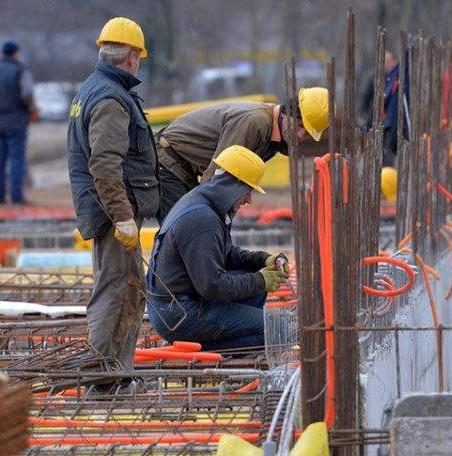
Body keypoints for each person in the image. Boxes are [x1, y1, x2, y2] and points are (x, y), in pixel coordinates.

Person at [67, 17, 159, 385]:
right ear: (132, 57)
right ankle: (102, 378)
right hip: (112, 213)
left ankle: (117, 372)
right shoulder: (109, 98)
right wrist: (122, 217)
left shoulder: (96, 88)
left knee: (130, 288)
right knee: (114, 291)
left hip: (109, 208)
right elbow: (104, 164)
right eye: (139, 56)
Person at [146, 145, 289, 350]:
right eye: (248, 190)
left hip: (176, 305)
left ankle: (229, 331)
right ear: (234, 185)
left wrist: (262, 260)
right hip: (178, 314)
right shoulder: (202, 219)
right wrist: (260, 279)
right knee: (278, 329)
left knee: (256, 286)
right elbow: (212, 286)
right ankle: (200, 346)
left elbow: (226, 254)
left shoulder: (204, 203)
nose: (249, 199)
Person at [155, 87, 329, 222]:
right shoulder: (256, 123)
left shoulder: (273, 136)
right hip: (169, 159)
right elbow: (218, 174)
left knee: (192, 228)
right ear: (286, 112)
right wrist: (216, 222)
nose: (299, 135)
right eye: (299, 125)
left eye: (306, 133)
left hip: (184, 167)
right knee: (185, 230)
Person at [0, 40, 36, 204]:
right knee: (16, 159)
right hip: (16, 121)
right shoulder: (20, 70)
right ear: (15, 53)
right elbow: (27, 94)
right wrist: (32, 110)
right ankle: (16, 196)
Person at [360, 51, 408, 166]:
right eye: (385, 62)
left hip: (388, 120)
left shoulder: (396, 78)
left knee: (387, 149)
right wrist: (365, 114)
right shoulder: (374, 78)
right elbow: (366, 98)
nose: (387, 64)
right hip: (376, 117)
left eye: (389, 62)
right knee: (377, 146)